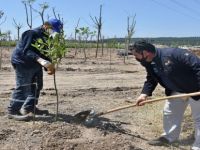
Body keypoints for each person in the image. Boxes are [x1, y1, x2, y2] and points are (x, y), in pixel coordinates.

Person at [129, 40, 200, 150]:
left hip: (196, 89)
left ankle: (198, 145)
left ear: (145, 52)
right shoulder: (148, 62)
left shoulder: (175, 54)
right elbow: (151, 78)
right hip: (176, 90)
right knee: (170, 112)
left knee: (199, 118)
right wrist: (144, 94)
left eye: (136, 55)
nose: (136, 58)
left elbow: (198, 66)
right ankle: (169, 137)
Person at [7, 18, 63, 120]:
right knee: (24, 87)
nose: (54, 32)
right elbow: (27, 51)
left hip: (35, 64)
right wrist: (42, 61)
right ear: (46, 25)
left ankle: (30, 108)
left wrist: (49, 66)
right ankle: (13, 111)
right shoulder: (31, 33)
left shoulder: (47, 38)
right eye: (53, 29)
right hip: (23, 62)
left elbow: (44, 53)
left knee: (37, 85)